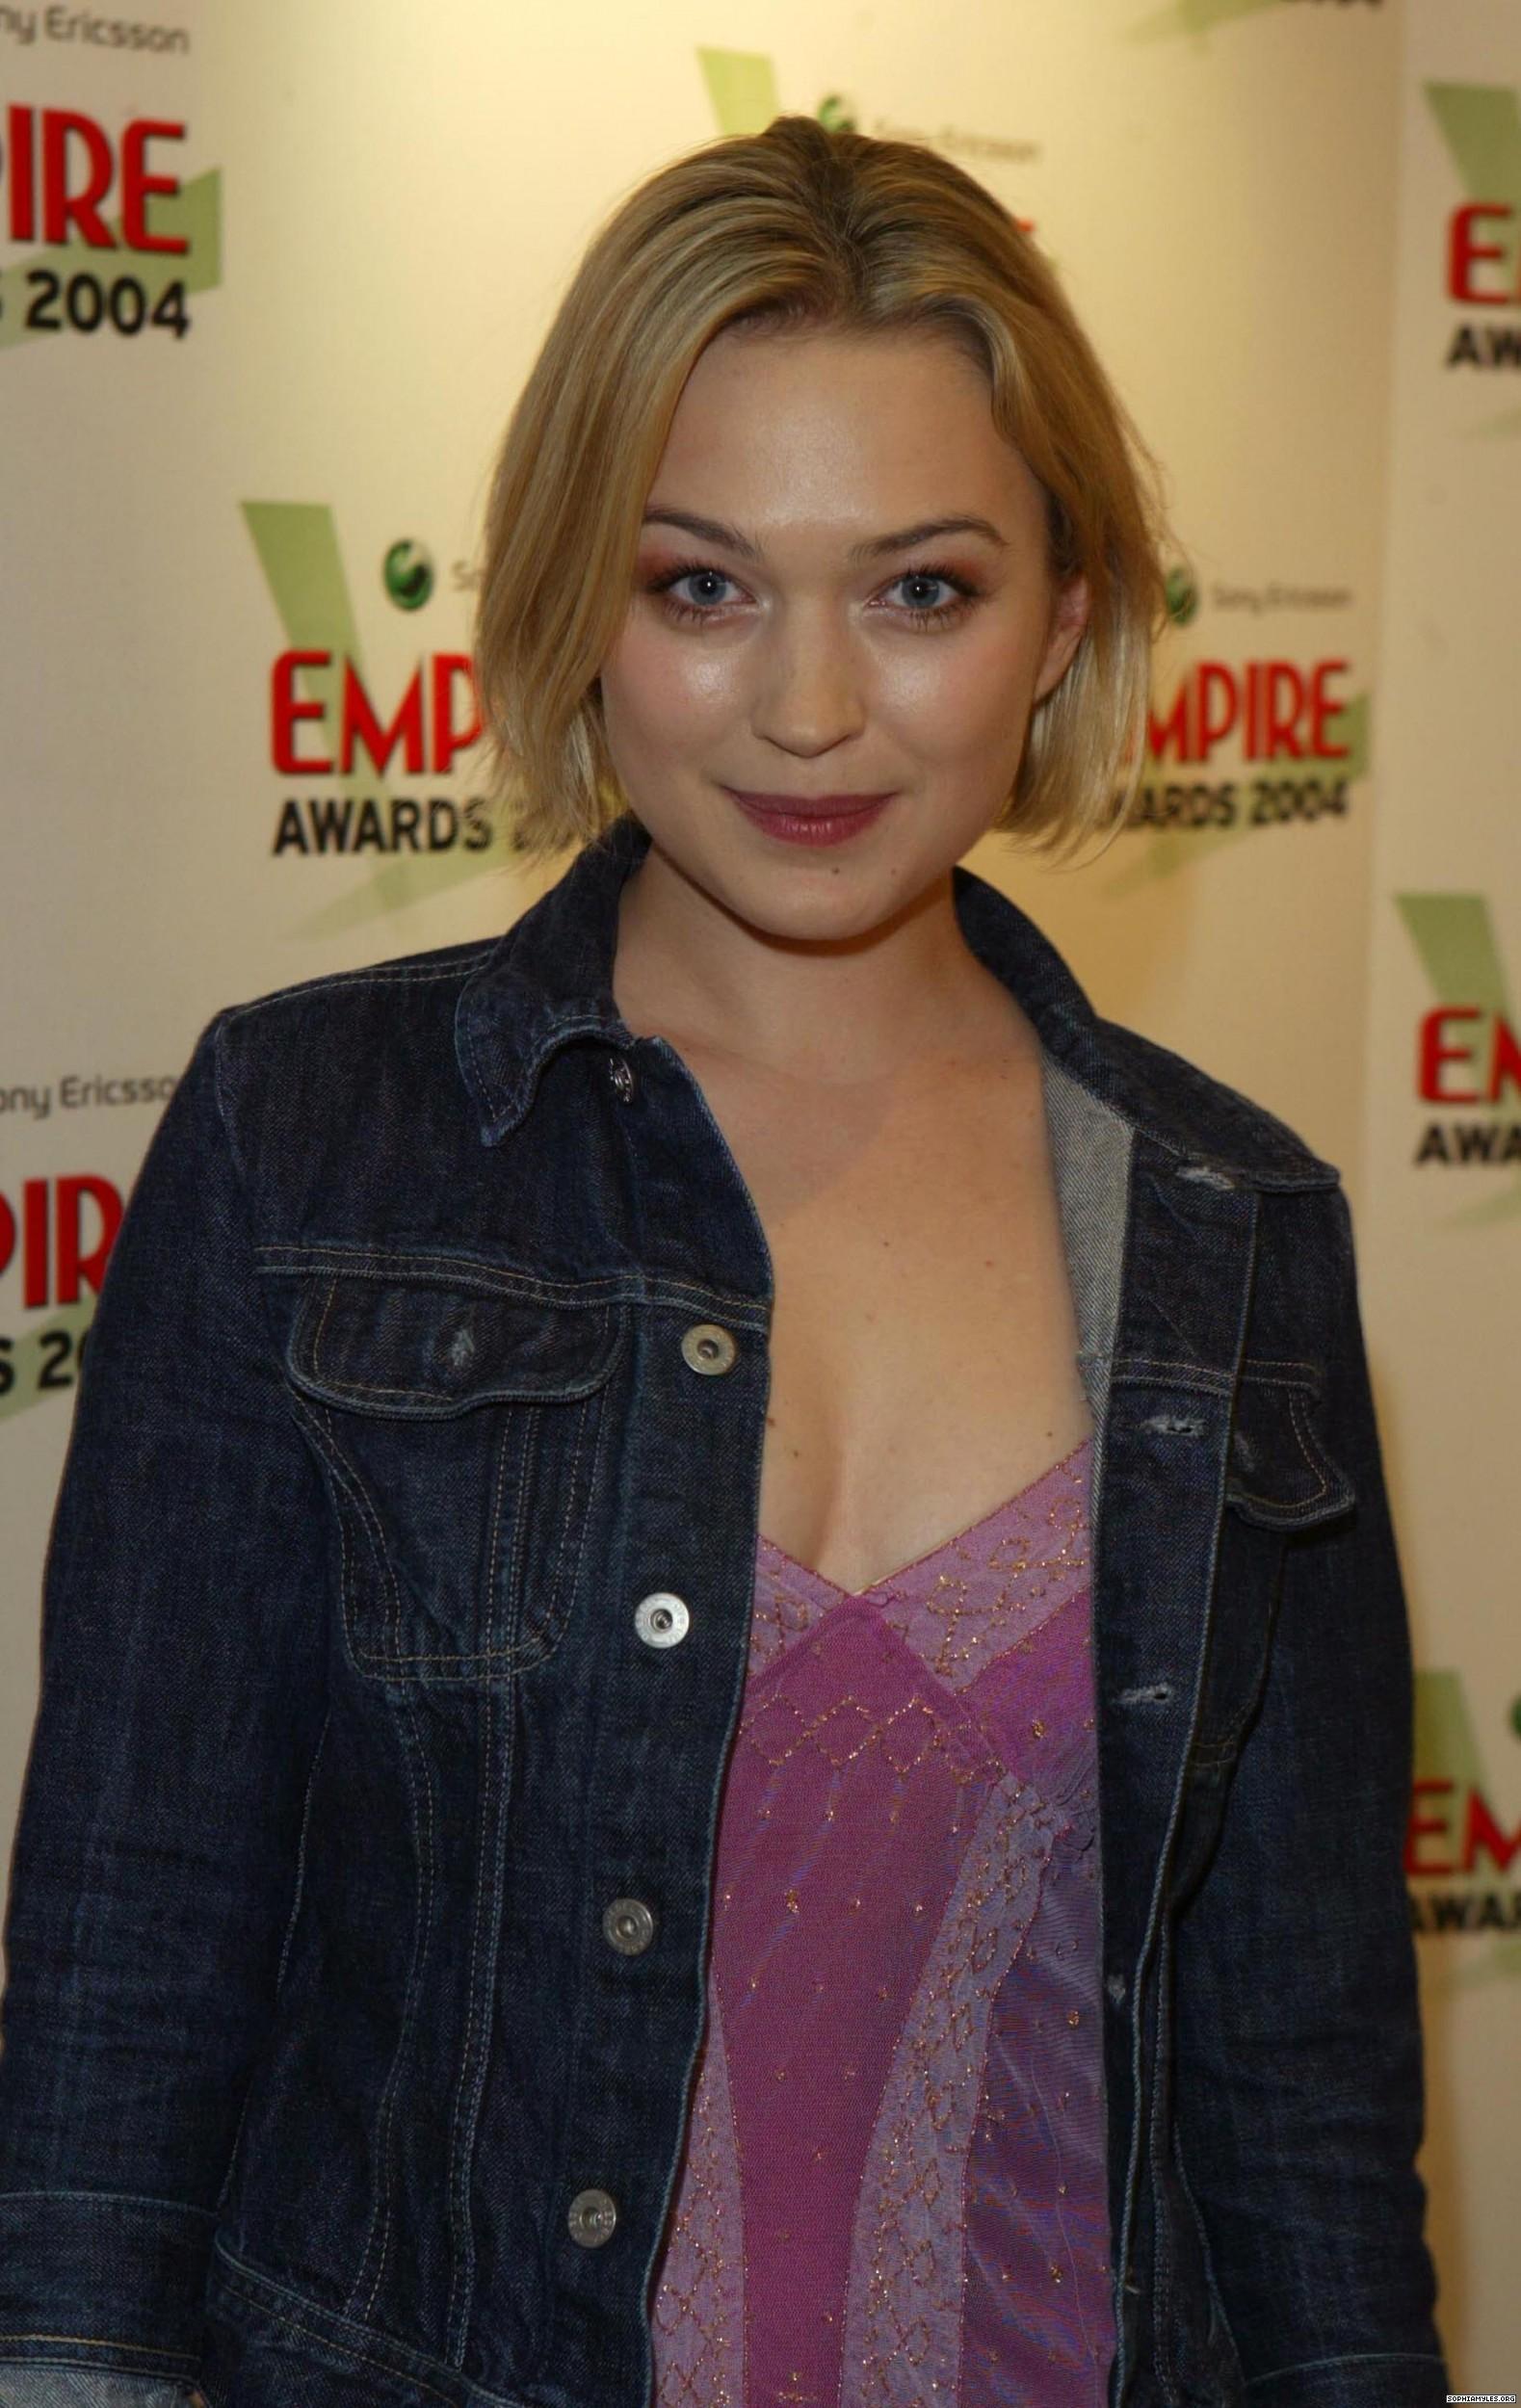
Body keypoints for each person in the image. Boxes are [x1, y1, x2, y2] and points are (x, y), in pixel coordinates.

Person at [0, 113, 1446, 2408]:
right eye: (701, 587)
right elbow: (124, 1986)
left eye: (919, 591)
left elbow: (1303, 2110)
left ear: (1064, 620)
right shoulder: (314, 1144)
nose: (807, 705)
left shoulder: (1232, 1227)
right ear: (578, 599)